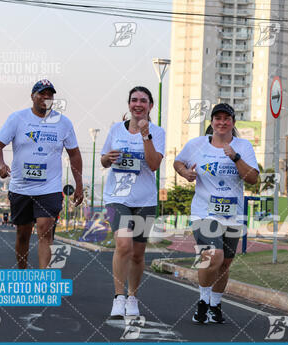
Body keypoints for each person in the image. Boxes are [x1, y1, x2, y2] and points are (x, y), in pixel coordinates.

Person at [174, 103, 259, 324]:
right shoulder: (197, 145)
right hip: (204, 213)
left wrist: (236, 158)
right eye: (217, 118)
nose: (222, 122)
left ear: (233, 122)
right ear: (211, 122)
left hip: (233, 214)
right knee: (213, 256)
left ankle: (215, 304)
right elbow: (178, 162)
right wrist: (185, 173)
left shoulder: (243, 146)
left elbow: (252, 178)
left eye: (226, 118)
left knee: (225, 264)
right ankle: (202, 301)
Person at [0, 79, 83, 269]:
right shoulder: (17, 119)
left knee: (45, 231)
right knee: (23, 234)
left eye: (50, 94)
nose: (46, 97)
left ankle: (42, 283)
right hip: (21, 187)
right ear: (32, 96)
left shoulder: (63, 123)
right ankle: (23, 274)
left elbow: (74, 154)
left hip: (49, 188)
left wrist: (79, 185)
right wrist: (1, 164)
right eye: (42, 93)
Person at [101, 86, 165, 319]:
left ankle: (132, 297)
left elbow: (154, 164)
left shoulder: (157, 132)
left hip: (144, 200)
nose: (138, 104)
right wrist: (107, 158)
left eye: (143, 101)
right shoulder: (116, 130)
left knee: (138, 254)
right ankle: (118, 297)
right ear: (129, 104)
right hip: (117, 197)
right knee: (124, 245)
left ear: (150, 106)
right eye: (134, 100)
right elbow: (104, 161)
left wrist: (145, 135)